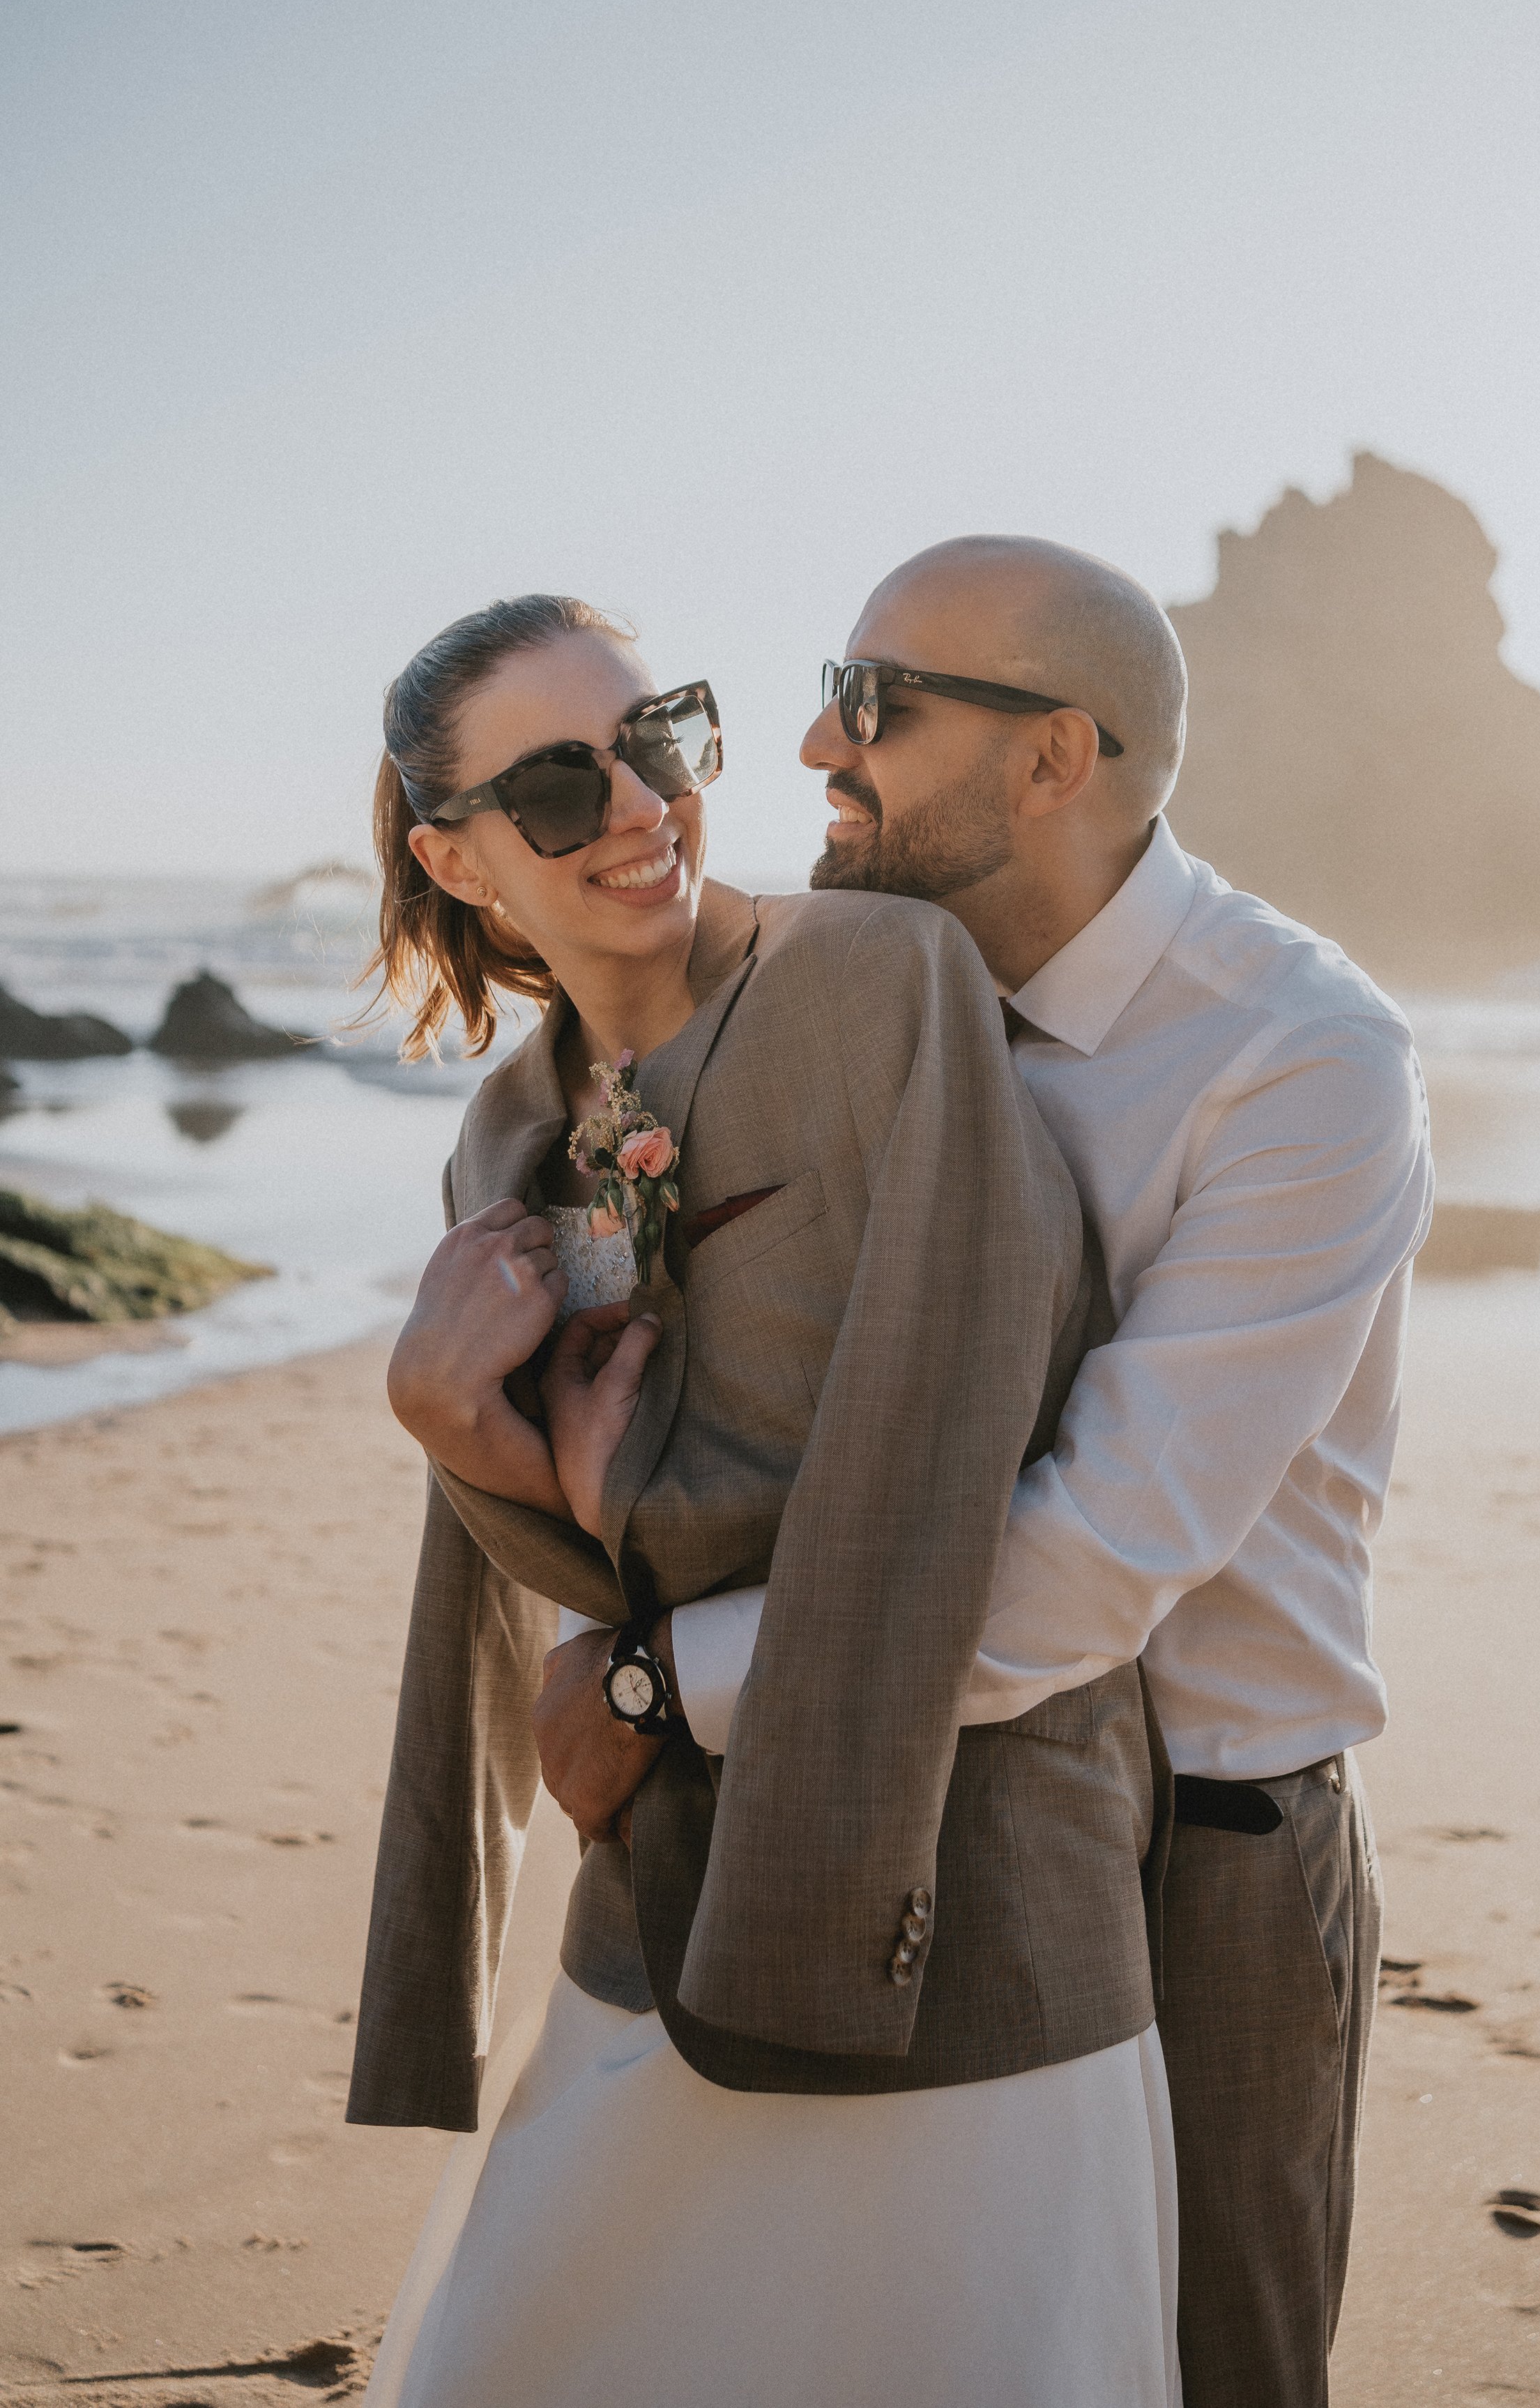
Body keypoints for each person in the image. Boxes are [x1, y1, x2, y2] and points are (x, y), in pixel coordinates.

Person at [549, 539, 1434, 2408]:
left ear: (1053, 759)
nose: (816, 744)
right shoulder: (837, 987)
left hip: (1205, 1852)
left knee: (1209, 2367)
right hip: (887, 1801)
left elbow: (1094, 1555)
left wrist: (661, 1687)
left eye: (873, 703)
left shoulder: (1298, 1059)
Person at [346, 593, 1183, 2408]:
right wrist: (461, 1433)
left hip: (949, 1901)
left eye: (657, 740)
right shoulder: (506, 1131)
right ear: (458, 860)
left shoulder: (881, 980)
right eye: (557, 788)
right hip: (646, 1892)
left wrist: (626, 1571)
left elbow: (957, 1439)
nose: (640, 808)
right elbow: (562, 1575)